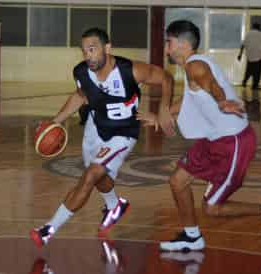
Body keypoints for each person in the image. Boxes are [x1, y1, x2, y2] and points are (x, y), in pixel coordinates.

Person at [138, 20, 261, 252]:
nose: (166, 48)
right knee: (178, 181)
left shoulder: (195, 67)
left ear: (183, 43)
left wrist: (221, 101)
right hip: (213, 140)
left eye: (169, 42)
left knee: (212, 208)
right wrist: (160, 118)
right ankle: (192, 236)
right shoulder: (192, 67)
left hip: (233, 143)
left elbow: (212, 84)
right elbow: (190, 99)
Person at [30, 27, 175, 247]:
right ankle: (114, 205)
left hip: (123, 134)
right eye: (84, 51)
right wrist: (55, 121)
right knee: (98, 178)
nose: (88, 55)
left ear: (107, 48)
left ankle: (48, 229)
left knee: (90, 176)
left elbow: (166, 77)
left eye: (93, 49)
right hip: (95, 127)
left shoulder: (131, 70)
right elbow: (80, 96)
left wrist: (163, 109)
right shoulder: (80, 72)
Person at [237, 22, 261, 90]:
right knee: (257, 72)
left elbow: (243, 44)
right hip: (258, 57)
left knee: (249, 70)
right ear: (259, 27)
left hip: (250, 56)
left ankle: (244, 82)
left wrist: (240, 55)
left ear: (253, 27)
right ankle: (255, 86)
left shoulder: (248, 34)